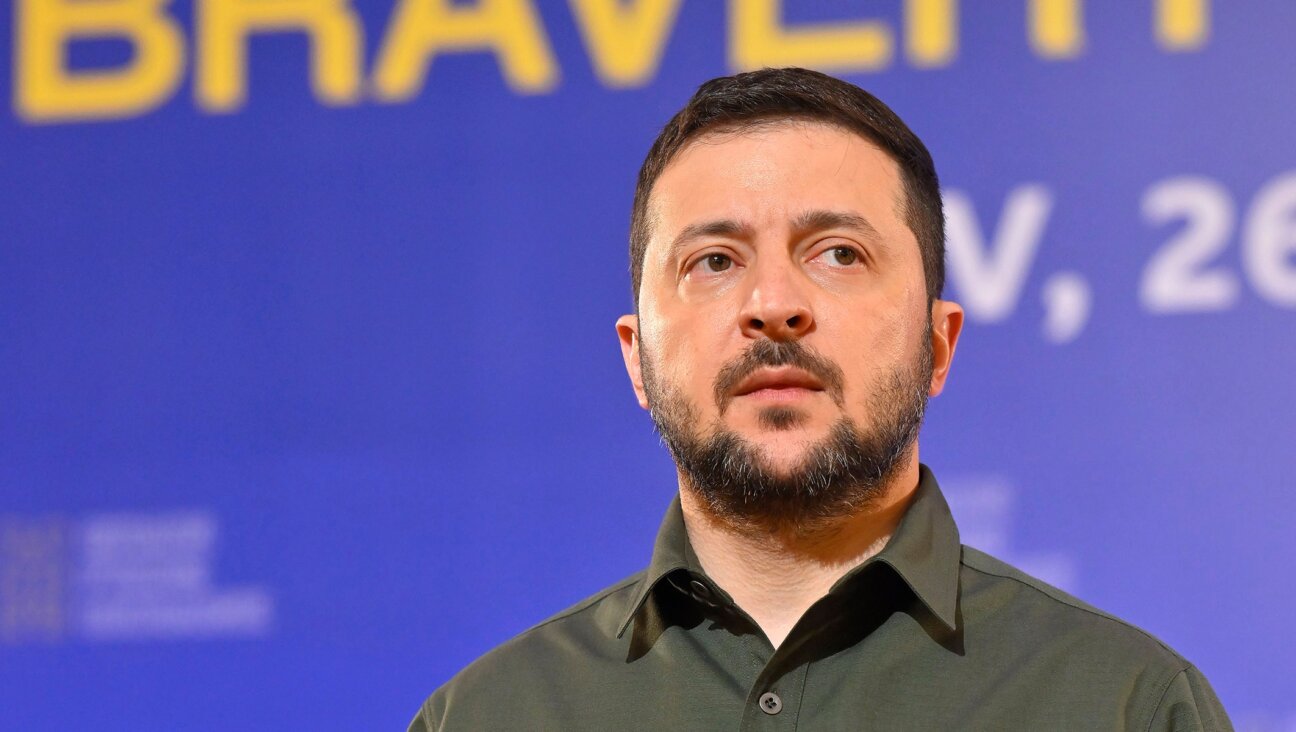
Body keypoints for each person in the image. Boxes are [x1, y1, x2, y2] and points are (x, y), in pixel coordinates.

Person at [407, 68, 1231, 731]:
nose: (773, 301)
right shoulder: (484, 717)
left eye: (838, 253)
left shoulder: (1126, 705)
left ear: (938, 344)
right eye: (715, 261)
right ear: (637, 359)